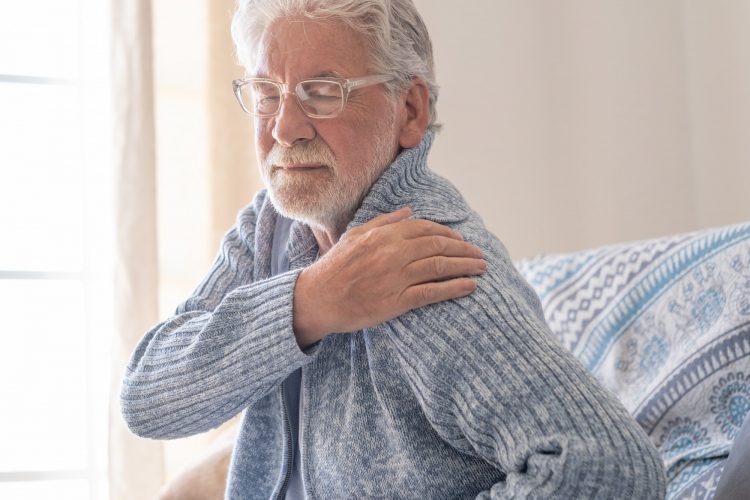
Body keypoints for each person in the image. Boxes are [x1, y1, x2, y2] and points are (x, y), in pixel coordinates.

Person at [120, 0, 667, 498]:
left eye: (321, 91)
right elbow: (148, 398)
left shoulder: (431, 268)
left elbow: (613, 470)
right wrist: (310, 302)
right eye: (267, 93)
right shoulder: (272, 226)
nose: (284, 128)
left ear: (410, 111)